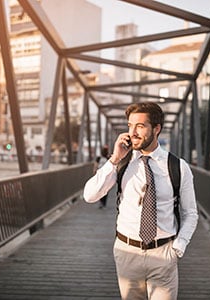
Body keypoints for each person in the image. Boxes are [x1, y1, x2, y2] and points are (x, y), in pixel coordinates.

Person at [83, 102, 198, 300]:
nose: (132, 132)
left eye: (140, 126)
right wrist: (114, 159)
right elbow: (90, 195)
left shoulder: (178, 167)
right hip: (126, 253)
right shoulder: (122, 163)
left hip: (163, 254)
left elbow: (191, 213)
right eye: (130, 125)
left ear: (156, 129)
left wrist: (178, 247)